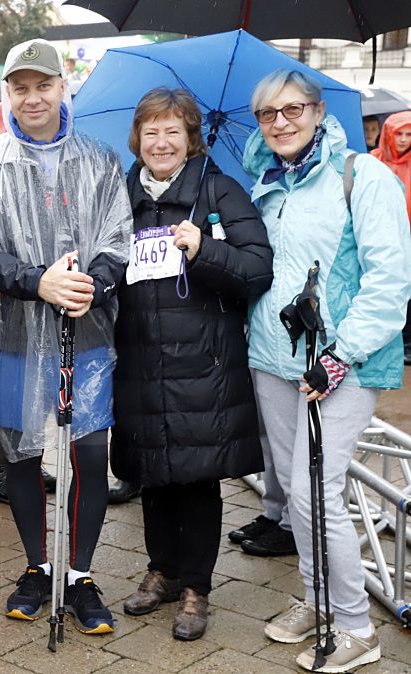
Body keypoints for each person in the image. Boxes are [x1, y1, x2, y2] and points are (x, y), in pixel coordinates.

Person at [0, 38, 131, 635]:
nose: (33, 97)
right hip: (11, 329)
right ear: (7, 92)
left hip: (86, 331)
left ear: (63, 88)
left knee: (88, 453)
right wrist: (38, 284)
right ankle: (37, 564)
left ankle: (79, 575)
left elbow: (118, 239)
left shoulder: (100, 160)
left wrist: (88, 286)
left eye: (44, 85)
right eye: (20, 86)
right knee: (22, 452)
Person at [243, 68, 411, 673]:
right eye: (268, 114)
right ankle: (317, 600)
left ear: (318, 112)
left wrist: (342, 355)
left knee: (319, 492)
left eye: (293, 110)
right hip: (274, 358)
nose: (281, 123)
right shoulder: (265, 184)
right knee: (294, 491)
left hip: (342, 363)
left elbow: (391, 281)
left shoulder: (361, 176)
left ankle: (358, 626)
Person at [112, 88, 273, 641]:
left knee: (198, 479)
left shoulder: (219, 190)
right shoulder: (120, 194)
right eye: (151, 131)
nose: (160, 142)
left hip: (204, 365)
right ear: (137, 138)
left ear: (190, 139)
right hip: (139, 361)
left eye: (172, 131)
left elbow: (257, 270)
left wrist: (205, 249)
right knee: (154, 475)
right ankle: (162, 570)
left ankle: (195, 589)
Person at [371, 110, 411, 365]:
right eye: (400, 134)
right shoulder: (371, 162)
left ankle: (407, 342)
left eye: (409, 134)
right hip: (381, 235)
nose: (405, 139)